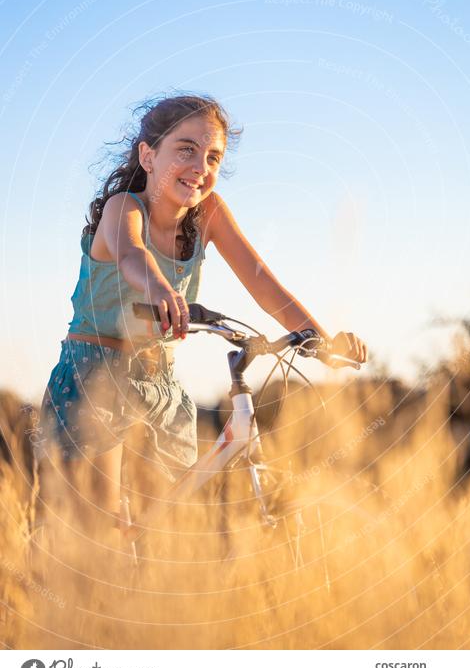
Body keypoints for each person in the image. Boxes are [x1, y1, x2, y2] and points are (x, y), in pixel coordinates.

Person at [36, 93, 367, 543]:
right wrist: (159, 288)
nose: (200, 167)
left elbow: (263, 283)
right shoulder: (124, 208)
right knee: (98, 536)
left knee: (166, 535)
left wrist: (320, 341)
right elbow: (132, 254)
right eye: (186, 149)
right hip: (95, 374)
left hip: (163, 385)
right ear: (148, 156)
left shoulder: (208, 212)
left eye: (213, 157)